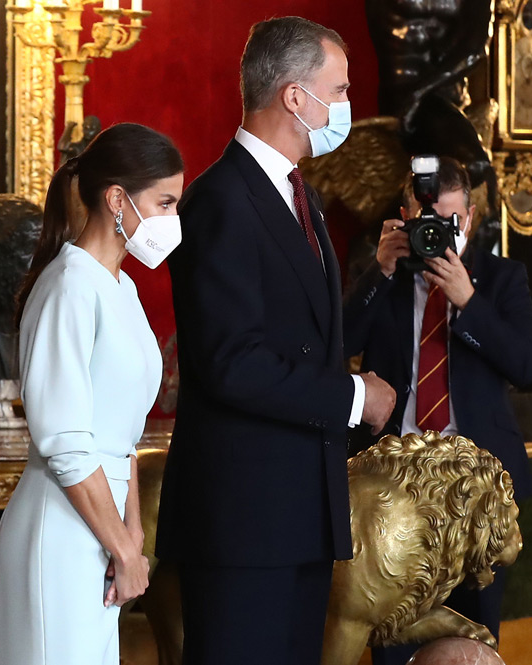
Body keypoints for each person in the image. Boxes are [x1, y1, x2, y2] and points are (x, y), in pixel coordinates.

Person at [154, 17, 396, 665]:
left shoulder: (302, 198)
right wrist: (352, 396)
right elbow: (231, 363)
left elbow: (308, 334)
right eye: (339, 90)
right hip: (242, 523)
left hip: (300, 515)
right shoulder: (221, 201)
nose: (348, 106)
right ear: (296, 97)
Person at [0, 122, 184, 665]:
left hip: (101, 533)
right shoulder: (70, 284)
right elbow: (67, 441)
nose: (173, 220)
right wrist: (125, 550)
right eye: (165, 203)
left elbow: (120, 437)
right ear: (117, 198)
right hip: (59, 531)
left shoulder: (120, 286)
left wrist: (132, 537)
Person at [343, 156, 532, 664]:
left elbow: (525, 367)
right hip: (392, 478)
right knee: (388, 627)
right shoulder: (381, 276)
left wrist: (468, 300)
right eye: (425, 221)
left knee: (474, 633)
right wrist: (380, 270)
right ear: (404, 215)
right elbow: (336, 343)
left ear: (469, 217)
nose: (438, 233)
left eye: (449, 222)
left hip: (478, 486)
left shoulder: (502, 277)